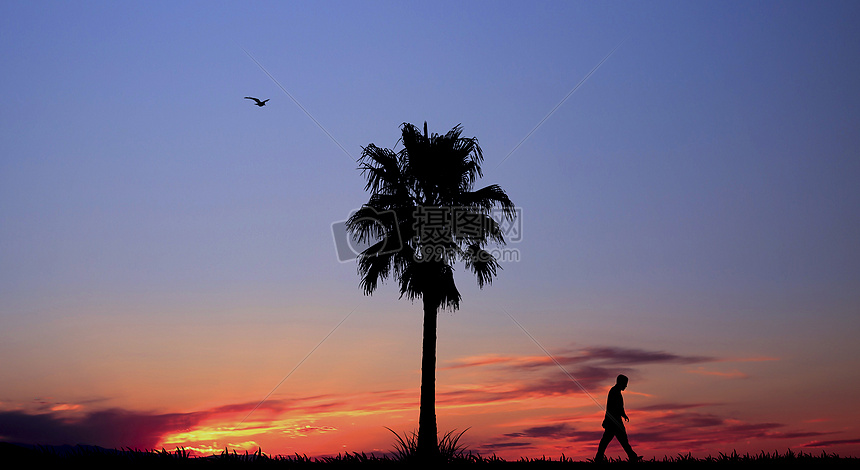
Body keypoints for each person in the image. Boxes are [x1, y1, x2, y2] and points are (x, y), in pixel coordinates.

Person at [595, 374, 641, 462]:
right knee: (614, 440)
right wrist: (618, 416)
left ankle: (632, 456)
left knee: (617, 440)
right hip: (614, 422)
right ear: (620, 382)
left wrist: (623, 415)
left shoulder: (616, 391)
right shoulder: (614, 392)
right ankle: (632, 457)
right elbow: (613, 407)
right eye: (625, 383)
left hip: (614, 421)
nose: (626, 386)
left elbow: (618, 407)